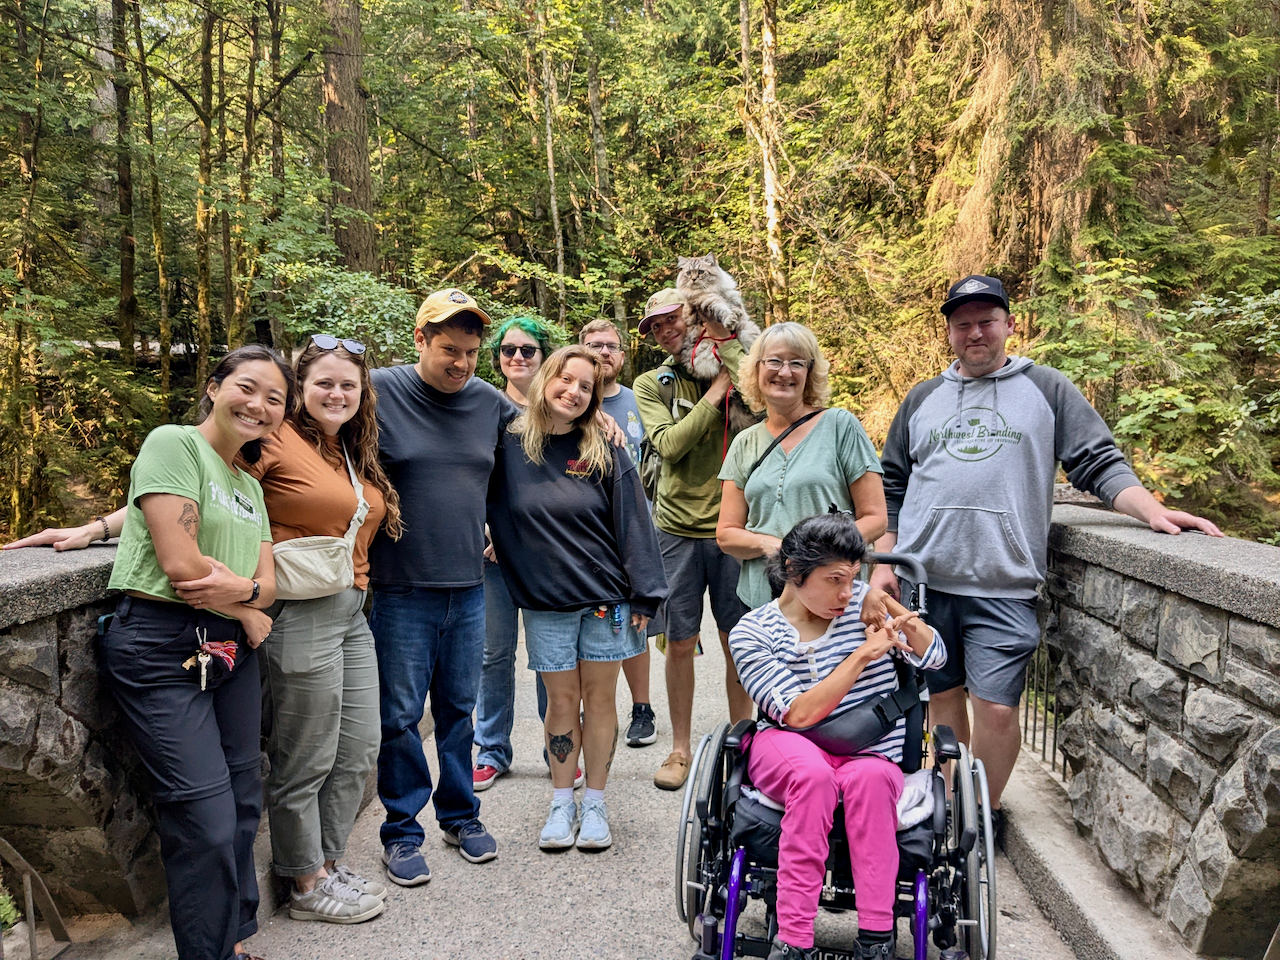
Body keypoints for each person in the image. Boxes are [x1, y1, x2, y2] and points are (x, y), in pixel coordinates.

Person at [869, 274, 1224, 840]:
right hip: (924, 585)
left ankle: (981, 812)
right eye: (963, 324)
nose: (975, 333)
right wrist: (884, 562)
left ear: (1010, 324)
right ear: (950, 333)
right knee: (943, 698)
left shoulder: (1047, 388)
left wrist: (1152, 510)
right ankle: (949, 806)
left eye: (987, 321)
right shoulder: (922, 397)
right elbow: (891, 484)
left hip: (1004, 584)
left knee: (998, 707)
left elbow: (1097, 462)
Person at [8, 345, 293, 960]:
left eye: (275, 399)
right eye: (247, 387)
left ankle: (230, 942)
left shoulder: (249, 484)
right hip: (162, 646)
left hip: (229, 650)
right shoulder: (173, 443)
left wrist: (247, 598)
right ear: (214, 387)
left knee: (244, 800)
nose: (259, 405)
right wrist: (247, 604)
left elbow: (269, 585)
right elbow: (182, 566)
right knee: (205, 818)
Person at [728, 512, 946, 960]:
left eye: (853, 579)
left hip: (869, 751)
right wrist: (863, 655)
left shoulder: (864, 605)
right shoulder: (752, 632)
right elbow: (798, 713)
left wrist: (891, 608)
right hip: (788, 743)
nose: (846, 593)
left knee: (872, 781)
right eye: (834, 580)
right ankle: (793, 939)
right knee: (812, 777)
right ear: (793, 570)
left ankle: (876, 939)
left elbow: (937, 658)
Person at [243, 335, 401, 924]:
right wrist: (99, 528)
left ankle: (329, 865)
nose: (337, 394)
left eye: (348, 385)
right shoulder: (272, 439)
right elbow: (204, 490)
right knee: (306, 755)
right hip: (300, 612)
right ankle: (304, 882)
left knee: (359, 748)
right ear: (300, 388)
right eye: (324, 383)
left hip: (351, 610)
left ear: (362, 394)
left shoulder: (349, 449)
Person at [486, 345, 667, 850]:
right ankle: (562, 801)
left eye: (586, 386)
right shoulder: (508, 443)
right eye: (566, 379)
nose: (574, 391)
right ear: (546, 378)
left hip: (605, 598)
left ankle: (596, 804)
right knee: (562, 701)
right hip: (546, 601)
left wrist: (647, 594)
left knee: (600, 699)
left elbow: (634, 519)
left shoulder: (603, 447)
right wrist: (492, 535)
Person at [369, 288, 511, 886]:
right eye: (450, 349)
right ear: (420, 339)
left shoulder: (489, 403)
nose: (462, 363)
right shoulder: (377, 391)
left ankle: (460, 816)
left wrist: (598, 416)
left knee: (458, 711)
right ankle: (402, 832)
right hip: (398, 588)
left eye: (472, 352)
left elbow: (544, 440)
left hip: (469, 585)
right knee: (400, 717)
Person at [633, 289, 754, 790]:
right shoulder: (652, 383)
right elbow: (669, 445)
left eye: (672, 319)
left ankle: (746, 747)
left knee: (738, 641)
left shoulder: (738, 362)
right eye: (654, 327)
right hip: (677, 529)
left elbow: (764, 398)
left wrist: (726, 358)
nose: (664, 331)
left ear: (695, 317)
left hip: (736, 528)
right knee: (679, 642)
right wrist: (715, 392)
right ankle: (679, 749)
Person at [717, 322, 888, 609]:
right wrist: (770, 545)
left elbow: (876, 518)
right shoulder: (744, 442)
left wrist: (820, 554)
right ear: (757, 369)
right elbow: (726, 533)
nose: (785, 372)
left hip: (833, 599)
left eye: (797, 363)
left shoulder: (840, 426)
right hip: (763, 603)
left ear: (809, 373)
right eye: (774, 361)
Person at [472, 315, 564, 792]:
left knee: (551, 655)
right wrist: (488, 527)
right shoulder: (483, 407)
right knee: (493, 654)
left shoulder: (560, 410)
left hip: (545, 555)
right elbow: (471, 476)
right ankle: (490, 750)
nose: (518, 357)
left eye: (529, 349)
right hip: (492, 554)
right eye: (508, 350)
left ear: (544, 356)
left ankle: (558, 749)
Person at [579, 317, 657, 747]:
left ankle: (642, 708)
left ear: (622, 356)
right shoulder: (570, 398)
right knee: (590, 618)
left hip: (635, 525)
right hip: (586, 531)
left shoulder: (638, 399)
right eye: (594, 345)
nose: (603, 352)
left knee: (636, 617)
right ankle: (591, 707)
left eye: (610, 346)